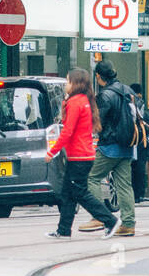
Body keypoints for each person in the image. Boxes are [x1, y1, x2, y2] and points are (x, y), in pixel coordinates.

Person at [46, 68, 119, 239]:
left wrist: (52, 151)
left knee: (79, 193)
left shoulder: (75, 102)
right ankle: (63, 230)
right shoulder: (84, 100)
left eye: (68, 81)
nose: (66, 85)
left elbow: (67, 131)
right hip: (83, 155)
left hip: (78, 156)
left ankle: (110, 220)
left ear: (76, 84)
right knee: (68, 193)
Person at [78, 61, 136, 237]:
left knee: (92, 177)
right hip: (127, 145)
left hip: (110, 146)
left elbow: (97, 122)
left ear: (98, 76)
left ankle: (99, 217)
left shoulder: (105, 96)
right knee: (124, 185)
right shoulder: (128, 90)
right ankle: (128, 223)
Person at [127, 83, 149, 203]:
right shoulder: (141, 105)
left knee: (133, 168)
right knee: (140, 167)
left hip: (132, 139)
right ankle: (139, 194)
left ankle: (134, 194)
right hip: (142, 140)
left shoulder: (129, 103)